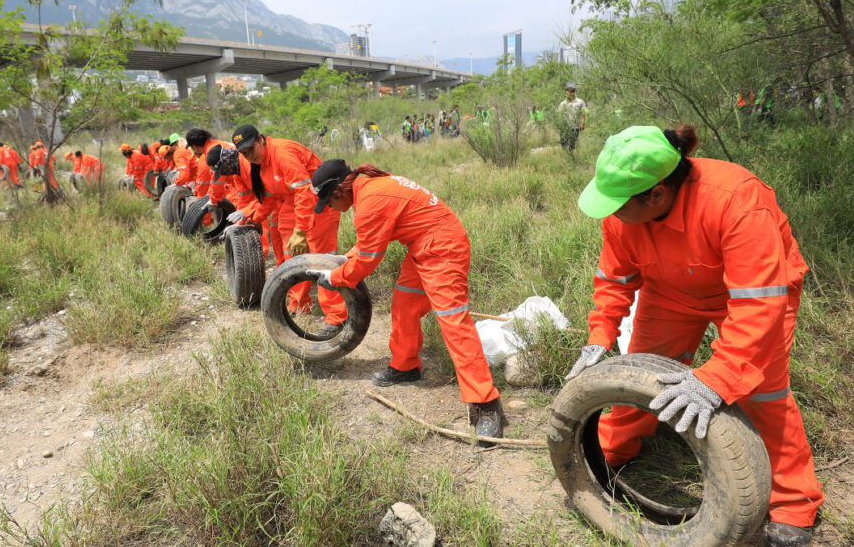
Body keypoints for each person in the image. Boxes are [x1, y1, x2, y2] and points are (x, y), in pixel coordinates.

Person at [567, 125, 823, 547]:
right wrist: (599, 335)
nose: (608, 214)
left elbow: (758, 304)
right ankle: (615, 450)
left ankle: (794, 502)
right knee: (639, 372)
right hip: (670, 291)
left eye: (616, 205)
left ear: (656, 193)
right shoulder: (622, 215)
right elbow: (614, 279)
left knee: (762, 392)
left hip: (753, 292)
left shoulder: (736, 201)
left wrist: (718, 378)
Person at [305, 159, 505, 439]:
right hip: (424, 244)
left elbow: (367, 260)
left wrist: (335, 278)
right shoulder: (370, 189)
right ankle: (405, 366)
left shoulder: (370, 201)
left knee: (453, 323)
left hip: (442, 247)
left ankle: (486, 403)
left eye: (328, 202)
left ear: (339, 192)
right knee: (404, 303)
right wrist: (338, 263)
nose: (329, 208)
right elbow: (366, 246)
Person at [231, 124, 346, 335]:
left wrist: (300, 230)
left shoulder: (281, 154)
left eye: (251, 149)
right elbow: (271, 198)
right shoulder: (263, 165)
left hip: (321, 207)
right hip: (298, 208)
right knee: (295, 257)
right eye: (244, 154)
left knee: (323, 261)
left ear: (261, 139)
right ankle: (299, 305)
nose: (249, 156)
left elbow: (304, 191)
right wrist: (253, 217)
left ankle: (337, 317)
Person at [557, 84, 586, 153]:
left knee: (572, 144)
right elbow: (559, 114)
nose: (565, 95)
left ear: (572, 93)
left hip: (575, 126)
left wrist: (582, 124)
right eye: (565, 93)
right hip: (565, 127)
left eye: (567, 93)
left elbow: (582, 114)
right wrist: (560, 124)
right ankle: (564, 155)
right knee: (563, 143)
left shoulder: (580, 102)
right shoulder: (563, 103)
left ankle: (571, 156)